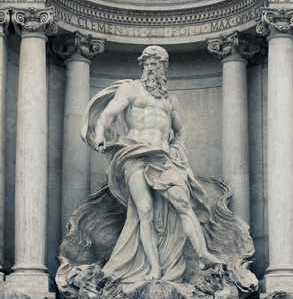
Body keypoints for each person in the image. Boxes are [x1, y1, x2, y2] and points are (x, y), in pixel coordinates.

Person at [81, 45, 225, 282]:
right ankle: (154, 269)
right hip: (134, 154)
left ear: (164, 68)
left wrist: (178, 148)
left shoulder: (170, 100)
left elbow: (182, 129)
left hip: (163, 157)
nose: (150, 67)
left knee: (183, 202)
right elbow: (108, 113)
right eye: (147, 63)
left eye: (155, 64)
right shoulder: (131, 89)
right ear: (142, 65)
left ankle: (204, 255)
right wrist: (99, 135)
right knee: (144, 211)